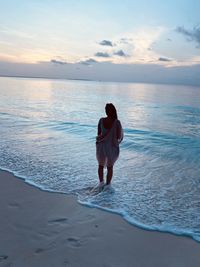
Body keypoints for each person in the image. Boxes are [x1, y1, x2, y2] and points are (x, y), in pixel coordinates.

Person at [96, 103, 123, 188]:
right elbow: (119, 136)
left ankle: (101, 183)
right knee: (110, 167)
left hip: (101, 147)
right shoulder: (117, 122)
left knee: (100, 165)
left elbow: (99, 134)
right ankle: (108, 186)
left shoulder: (101, 120)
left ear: (106, 111)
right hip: (111, 147)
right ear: (114, 111)